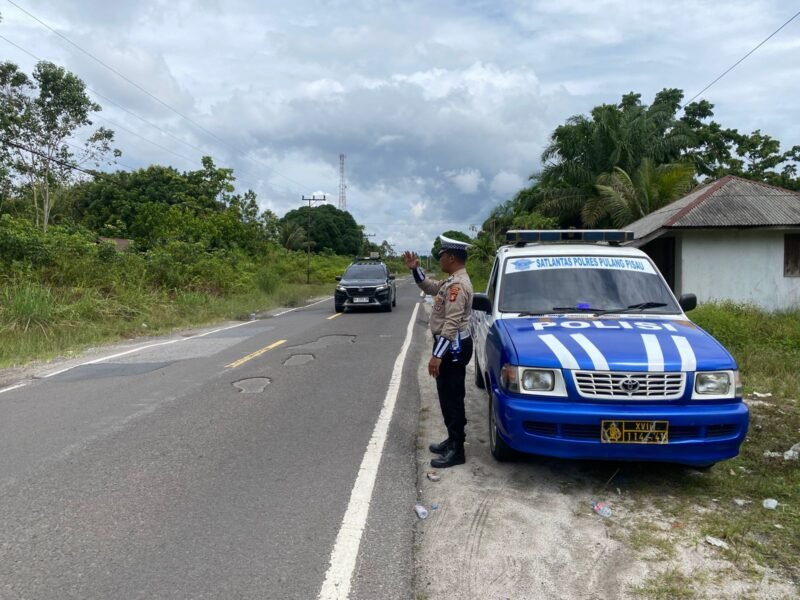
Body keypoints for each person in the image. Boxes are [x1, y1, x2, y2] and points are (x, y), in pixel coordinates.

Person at [403, 235, 474, 468]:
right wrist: (416, 270)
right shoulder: (452, 280)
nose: (440, 258)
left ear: (451, 257)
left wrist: (437, 356)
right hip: (449, 347)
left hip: (452, 349)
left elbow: (451, 324)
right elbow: (430, 286)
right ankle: (452, 440)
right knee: (446, 395)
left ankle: (457, 450)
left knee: (452, 397)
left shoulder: (457, 286)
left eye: (442, 255)